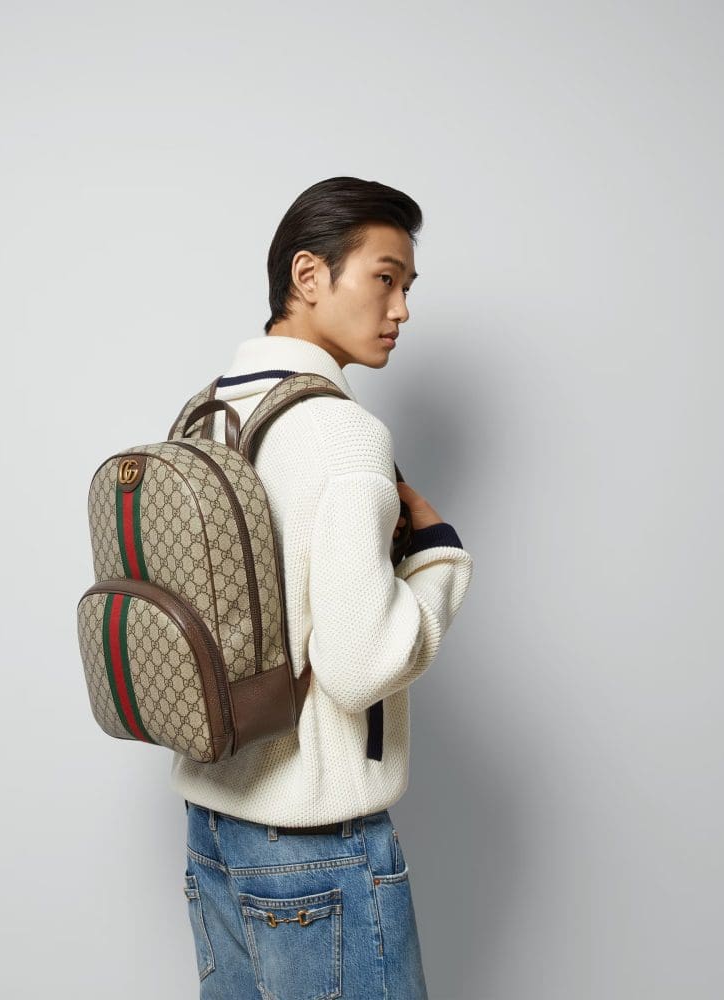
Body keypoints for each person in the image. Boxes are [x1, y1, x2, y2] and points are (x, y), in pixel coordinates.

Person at [172, 176, 474, 998]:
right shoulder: (343, 433)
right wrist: (439, 560)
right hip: (313, 842)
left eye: (408, 287)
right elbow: (358, 666)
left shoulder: (206, 412)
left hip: (213, 823)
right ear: (308, 275)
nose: (401, 309)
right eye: (385, 278)